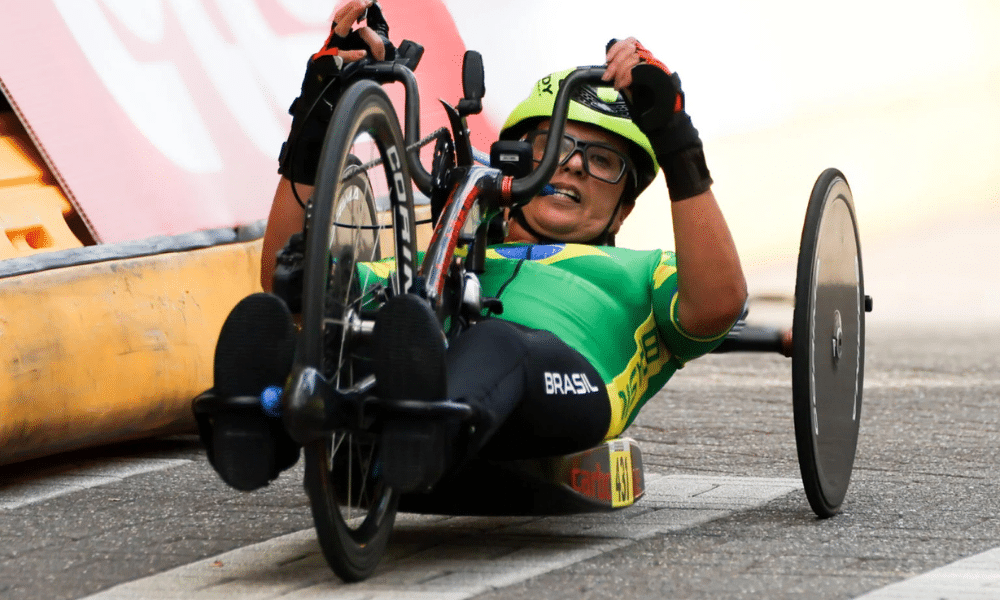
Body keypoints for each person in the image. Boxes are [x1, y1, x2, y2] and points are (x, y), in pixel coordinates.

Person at [198, 0, 747, 492]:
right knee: (291, 307)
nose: (575, 163)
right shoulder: (445, 265)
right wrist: (318, 113)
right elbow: (291, 276)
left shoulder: (645, 272)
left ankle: (420, 436)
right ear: (513, 162)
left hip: (564, 383)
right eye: (552, 145)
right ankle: (262, 418)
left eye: (603, 162)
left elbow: (717, 305)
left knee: (496, 343)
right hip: (428, 353)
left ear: (624, 208)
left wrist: (675, 139)